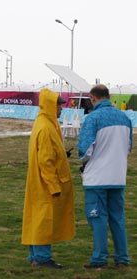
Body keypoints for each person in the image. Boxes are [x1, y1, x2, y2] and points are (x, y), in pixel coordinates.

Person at [77, 84, 132, 269]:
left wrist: (83, 162)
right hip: (118, 177)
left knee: (97, 217)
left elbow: (85, 149)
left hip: (97, 178)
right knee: (117, 217)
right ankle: (122, 258)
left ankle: (99, 258)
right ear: (108, 96)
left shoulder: (93, 118)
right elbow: (128, 146)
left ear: (93, 98)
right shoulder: (125, 118)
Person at [22, 88, 75, 269]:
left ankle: (35, 256)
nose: (61, 108)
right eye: (59, 105)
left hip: (39, 182)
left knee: (37, 219)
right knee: (43, 220)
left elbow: (49, 154)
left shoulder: (45, 123)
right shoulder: (46, 128)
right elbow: (45, 161)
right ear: (50, 106)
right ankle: (42, 258)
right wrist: (54, 186)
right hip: (45, 183)